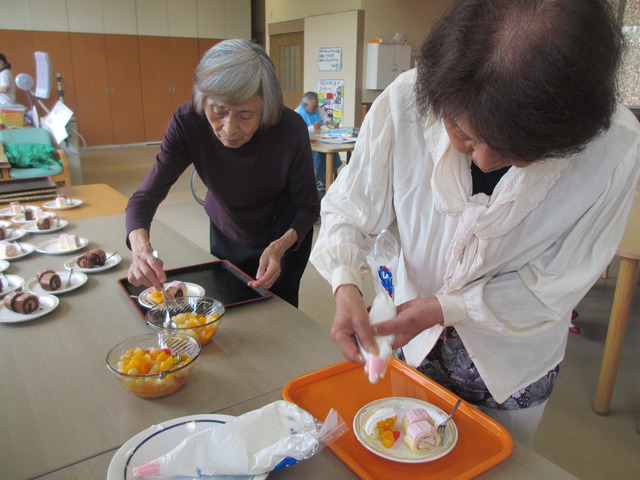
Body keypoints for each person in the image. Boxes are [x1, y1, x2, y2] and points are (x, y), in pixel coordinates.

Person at [310, 0, 640, 446]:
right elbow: (349, 207)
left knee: (497, 461)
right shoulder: (409, 99)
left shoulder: (610, 148)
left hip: (511, 361)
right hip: (409, 339)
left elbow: (559, 283)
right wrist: (346, 282)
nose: (482, 159)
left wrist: (450, 308)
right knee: (409, 447)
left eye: (512, 150)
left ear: (566, 136)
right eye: (462, 133)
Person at [126, 39, 320, 308]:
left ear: (266, 108)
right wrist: (141, 250)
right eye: (218, 111)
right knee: (227, 308)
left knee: (279, 317)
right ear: (202, 99)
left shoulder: (289, 129)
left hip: (283, 238)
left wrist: (279, 247)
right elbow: (145, 197)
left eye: (245, 115)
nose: (229, 129)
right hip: (226, 230)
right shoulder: (188, 122)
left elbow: (308, 207)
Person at [295, 91, 341, 192]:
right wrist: (312, 127)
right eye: (314, 107)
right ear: (305, 105)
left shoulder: (317, 109)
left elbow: (325, 117)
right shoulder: (297, 113)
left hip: (319, 139)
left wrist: (326, 121)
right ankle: (316, 180)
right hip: (306, 144)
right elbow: (297, 131)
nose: (316, 109)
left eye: (317, 106)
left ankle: (325, 178)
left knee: (329, 152)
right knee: (317, 155)